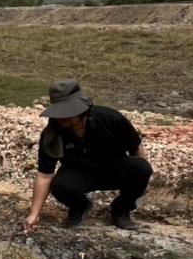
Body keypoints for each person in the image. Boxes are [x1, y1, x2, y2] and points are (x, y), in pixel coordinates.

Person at [24, 79, 152, 233]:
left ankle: (121, 210)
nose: (63, 117)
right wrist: (34, 214)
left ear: (81, 110)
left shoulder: (111, 119)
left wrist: (142, 181)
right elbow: (44, 175)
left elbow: (137, 149)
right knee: (59, 185)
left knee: (141, 168)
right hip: (79, 174)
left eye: (68, 112)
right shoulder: (52, 134)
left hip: (114, 168)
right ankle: (80, 206)